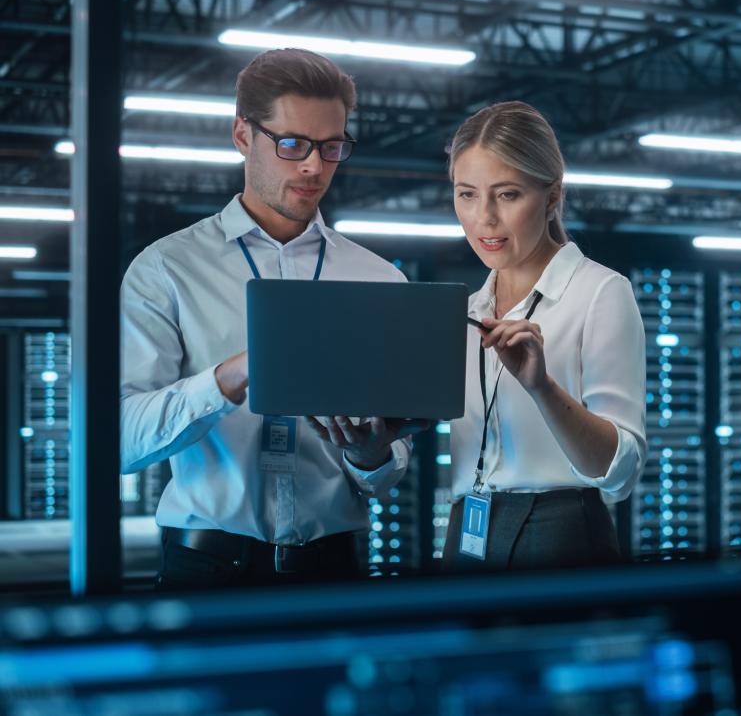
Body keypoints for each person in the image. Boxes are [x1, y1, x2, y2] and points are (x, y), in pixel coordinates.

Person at [120, 48, 427, 588]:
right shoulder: (167, 269)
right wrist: (231, 376)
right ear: (243, 135)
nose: (313, 166)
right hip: (207, 572)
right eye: (292, 144)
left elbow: (384, 478)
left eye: (331, 147)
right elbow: (118, 442)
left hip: (335, 574)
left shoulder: (379, 279)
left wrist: (370, 454)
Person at [443, 101, 647, 570]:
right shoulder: (469, 308)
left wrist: (542, 388)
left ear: (552, 196)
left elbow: (619, 473)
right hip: (467, 532)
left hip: (561, 534)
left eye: (508, 194)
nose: (484, 219)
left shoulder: (600, 293)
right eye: (467, 194)